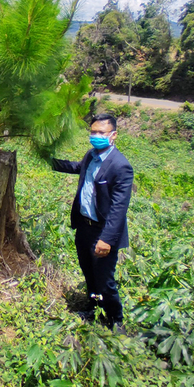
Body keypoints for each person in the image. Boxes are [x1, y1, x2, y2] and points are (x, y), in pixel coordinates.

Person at [51, 113, 134, 331]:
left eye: (101, 133)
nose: (96, 136)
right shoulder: (91, 155)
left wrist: (106, 239)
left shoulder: (121, 166)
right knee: (88, 271)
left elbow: (119, 208)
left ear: (113, 135)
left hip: (103, 231)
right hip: (84, 227)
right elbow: (78, 167)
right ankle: (92, 305)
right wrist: (49, 161)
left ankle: (116, 319)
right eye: (93, 132)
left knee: (104, 279)